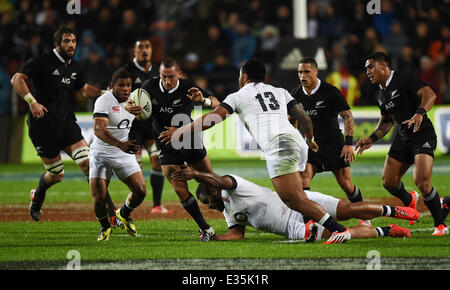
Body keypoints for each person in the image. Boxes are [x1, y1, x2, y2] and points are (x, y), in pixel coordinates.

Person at [160, 58, 352, 244]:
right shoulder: (279, 91)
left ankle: (338, 229)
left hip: (279, 145)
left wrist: (181, 130)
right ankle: (311, 222)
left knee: (293, 199)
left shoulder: (238, 96)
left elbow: (213, 119)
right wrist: (309, 139)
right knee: (300, 191)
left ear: (244, 76)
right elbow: (303, 118)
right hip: (297, 141)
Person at [10, 25, 115, 222]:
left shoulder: (74, 66)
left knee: (89, 165)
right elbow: (16, 79)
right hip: (43, 126)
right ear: (57, 44)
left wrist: (106, 94)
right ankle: (38, 195)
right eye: (66, 41)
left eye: (73, 41)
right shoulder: (43, 62)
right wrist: (32, 102)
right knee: (56, 174)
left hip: (67, 124)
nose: (71, 45)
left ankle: (112, 214)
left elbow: (83, 90)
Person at [170, 165, 417, 243]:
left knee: (347, 210)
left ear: (213, 190)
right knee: (340, 234)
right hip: (294, 229)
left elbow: (219, 179)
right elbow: (237, 235)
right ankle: (386, 231)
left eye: (206, 201)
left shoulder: (232, 185)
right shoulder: (228, 212)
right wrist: (215, 238)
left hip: (297, 202)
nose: (207, 207)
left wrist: (195, 174)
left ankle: (394, 211)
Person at [355, 52, 448, 236]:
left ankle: (440, 225)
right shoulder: (379, 93)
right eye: (366, 69)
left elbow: (430, 94)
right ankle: (410, 200)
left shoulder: (403, 79)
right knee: (388, 182)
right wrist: (371, 138)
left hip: (422, 134)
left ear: (383, 66)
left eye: (370, 67)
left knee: (422, 182)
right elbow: (387, 121)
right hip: (402, 137)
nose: (368, 72)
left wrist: (419, 113)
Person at [140, 57, 220, 241]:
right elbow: (131, 102)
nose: (167, 81)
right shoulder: (149, 86)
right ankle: (205, 228)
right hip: (165, 144)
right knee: (179, 187)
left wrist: (204, 101)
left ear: (179, 74)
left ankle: (232, 215)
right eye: (163, 77)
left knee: (213, 184)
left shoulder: (187, 87)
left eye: (171, 77)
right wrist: (131, 107)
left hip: (189, 140)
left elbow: (217, 103)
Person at [290, 57, 368, 225]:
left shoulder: (330, 91)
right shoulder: (296, 94)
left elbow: (347, 116)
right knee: (303, 181)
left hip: (333, 144)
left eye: (306, 72)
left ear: (316, 72)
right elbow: (292, 118)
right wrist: (297, 139)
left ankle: (364, 219)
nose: (302, 76)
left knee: (347, 185)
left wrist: (348, 143)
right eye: (299, 72)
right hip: (310, 145)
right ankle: (308, 223)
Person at [90, 68, 147, 241]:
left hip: (123, 152)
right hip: (101, 153)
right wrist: (119, 144)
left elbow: (144, 118)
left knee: (141, 190)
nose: (125, 88)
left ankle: (123, 213)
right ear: (112, 86)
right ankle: (105, 227)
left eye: (128, 85)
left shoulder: (133, 100)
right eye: (121, 85)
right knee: (99, 198)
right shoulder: (103, 101)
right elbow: (99, 129)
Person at [122, 38, 171, 215]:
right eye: (140, 47)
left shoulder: (158, 72)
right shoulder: (126, 71)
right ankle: (130, 206)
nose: (144, 50)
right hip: (131, 127)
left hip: (151, 126)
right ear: (134, 51)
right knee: (136, 167)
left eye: (147, 47)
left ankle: (157, 205)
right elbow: (115, 95)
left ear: (152, 50)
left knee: (158, 159)